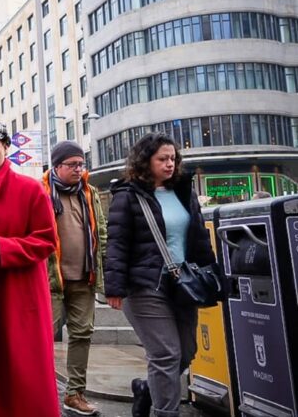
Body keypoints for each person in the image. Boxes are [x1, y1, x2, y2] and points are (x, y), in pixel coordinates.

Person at [105, 133, 216, 417]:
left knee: (187, 351)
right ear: (145, 161)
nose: (170, 164)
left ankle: (145, 388)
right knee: (166, 354)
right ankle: (165, 413)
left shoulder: (183, 192)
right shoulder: (127, 195)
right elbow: (116, 244)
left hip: (183, 284)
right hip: (144, 285)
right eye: (162, 159)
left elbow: (199, 238)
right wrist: (114, 288)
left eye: (173, 158)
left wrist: (214, 277)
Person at [0, 120, 60, 417]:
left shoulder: (30, 189)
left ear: (5, 147)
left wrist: (5, 246)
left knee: (23, 368)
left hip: (20, 294)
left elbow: (46, 240)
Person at [43, 141, 107, 416]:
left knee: (82, 334)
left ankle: (74, 394)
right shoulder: (41, 191)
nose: (78, 170)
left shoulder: (90, 193)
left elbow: (101, 233)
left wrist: (106, 275)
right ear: (56, 166)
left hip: (84, 277)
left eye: (81, 164)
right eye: (72, 165)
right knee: (41, 336)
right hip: (50, 280)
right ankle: (37, 392)